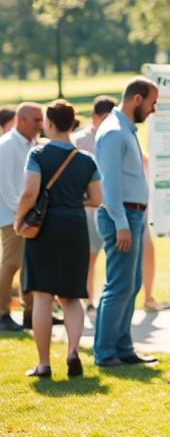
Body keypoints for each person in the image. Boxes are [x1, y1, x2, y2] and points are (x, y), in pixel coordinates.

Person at [16, 100, 103, 378]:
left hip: (45, 228)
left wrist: (20, 219)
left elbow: (30, 192)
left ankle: (44, 363)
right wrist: (75, 200)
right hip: (75, 227)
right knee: (72, 296)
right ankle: (73, 351)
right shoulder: (86, 160)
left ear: (50, 124)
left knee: (42, 295)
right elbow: (97, 199)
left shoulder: (38, 154)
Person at [93, 78, 160, 368]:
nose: (153, 109)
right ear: (136, 99)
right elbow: (109, 183)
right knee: (119, 285)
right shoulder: (113, 132)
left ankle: (123, 347)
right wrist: (121, 222)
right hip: (121, 216)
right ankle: (106, 353)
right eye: (152, 103)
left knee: (131, 284)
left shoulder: (124, 130)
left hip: (132, 215)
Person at [72, 95, 117, 317]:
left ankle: (103, 300)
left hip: (110, 205)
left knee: (111, 256)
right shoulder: (79, 141)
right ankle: (89, 299)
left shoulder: (113, 137)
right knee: (90, 256)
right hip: (89, 207)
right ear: (95, 117)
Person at [0, 102, 43, 330]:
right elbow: (6, 186)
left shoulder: (31, 144)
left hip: (27, 215)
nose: (40, 124)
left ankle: (31, 313)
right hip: (11, 216)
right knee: (11, 264)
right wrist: (22, 214)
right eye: (36, 120)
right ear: (21, 120)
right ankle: (2, 313)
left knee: (30, 265)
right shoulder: (7, 145)